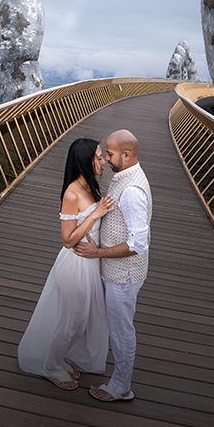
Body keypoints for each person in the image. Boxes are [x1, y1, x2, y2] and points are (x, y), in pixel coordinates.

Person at [17, 138, 114, 390]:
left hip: (89, 263)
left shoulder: (91, 187)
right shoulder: (71, 194)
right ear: (85, 160)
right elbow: (68, 240)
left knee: (79, 317)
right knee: (72, 318)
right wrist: (95, 214)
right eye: (99, 156)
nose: (103, 161)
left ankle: (58, 358)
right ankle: (50, 365)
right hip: (75, 265)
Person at [76, 129, 152, 402]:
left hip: (124, 275)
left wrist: (97, 252)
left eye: (109, 154)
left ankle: (121, 386)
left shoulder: (132, 191)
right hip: (117, 271)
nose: (106, 159)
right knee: (118, 326)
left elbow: (137, 244)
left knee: (121, 330)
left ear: (127, 155)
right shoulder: (125, 177)